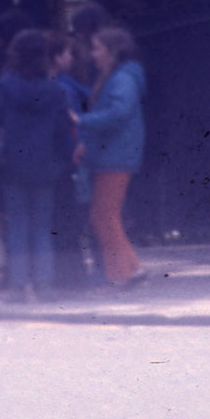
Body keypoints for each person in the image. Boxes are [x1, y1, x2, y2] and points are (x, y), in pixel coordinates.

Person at [0, 29, 74, 302]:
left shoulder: (3, 88)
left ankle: (18, 285)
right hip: (46, 166)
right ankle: (44, 283)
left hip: (13, 164)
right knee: (42, 226)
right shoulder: (55, 90)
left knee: (17, 225)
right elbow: (62, 130)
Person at [75, 25, 148, 288]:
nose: (93, 54)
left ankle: (126, 273)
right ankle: (127, 270)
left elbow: (119, 113)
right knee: (103, 215)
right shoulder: (121, 76)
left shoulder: (121, 79)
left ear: (112, 51)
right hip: (114, 153)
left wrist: (82, 121)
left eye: (97, 48)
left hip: (115, 154)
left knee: (104, 215)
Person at [48, 31, 94, 287]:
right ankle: (75, 276)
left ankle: (67, 277)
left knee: (62, 219)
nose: (70, 57)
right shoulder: (68, 87)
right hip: (73, 156)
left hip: (63, 158)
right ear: (56, 58)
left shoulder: (61, 86)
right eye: (66, 53)